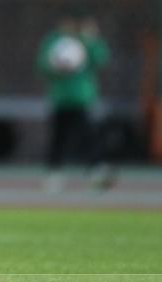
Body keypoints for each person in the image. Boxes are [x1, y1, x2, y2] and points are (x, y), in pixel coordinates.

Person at [37, 15, 111, 190]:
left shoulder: (85, 41)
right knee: (58, 138)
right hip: (60, 98)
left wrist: (92, 39)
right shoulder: (53, 41)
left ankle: (95, 171)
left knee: (88, 136)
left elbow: (101, 59)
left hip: (82, 98)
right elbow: (42, 65)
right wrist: (54, 65)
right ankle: (54, 174)